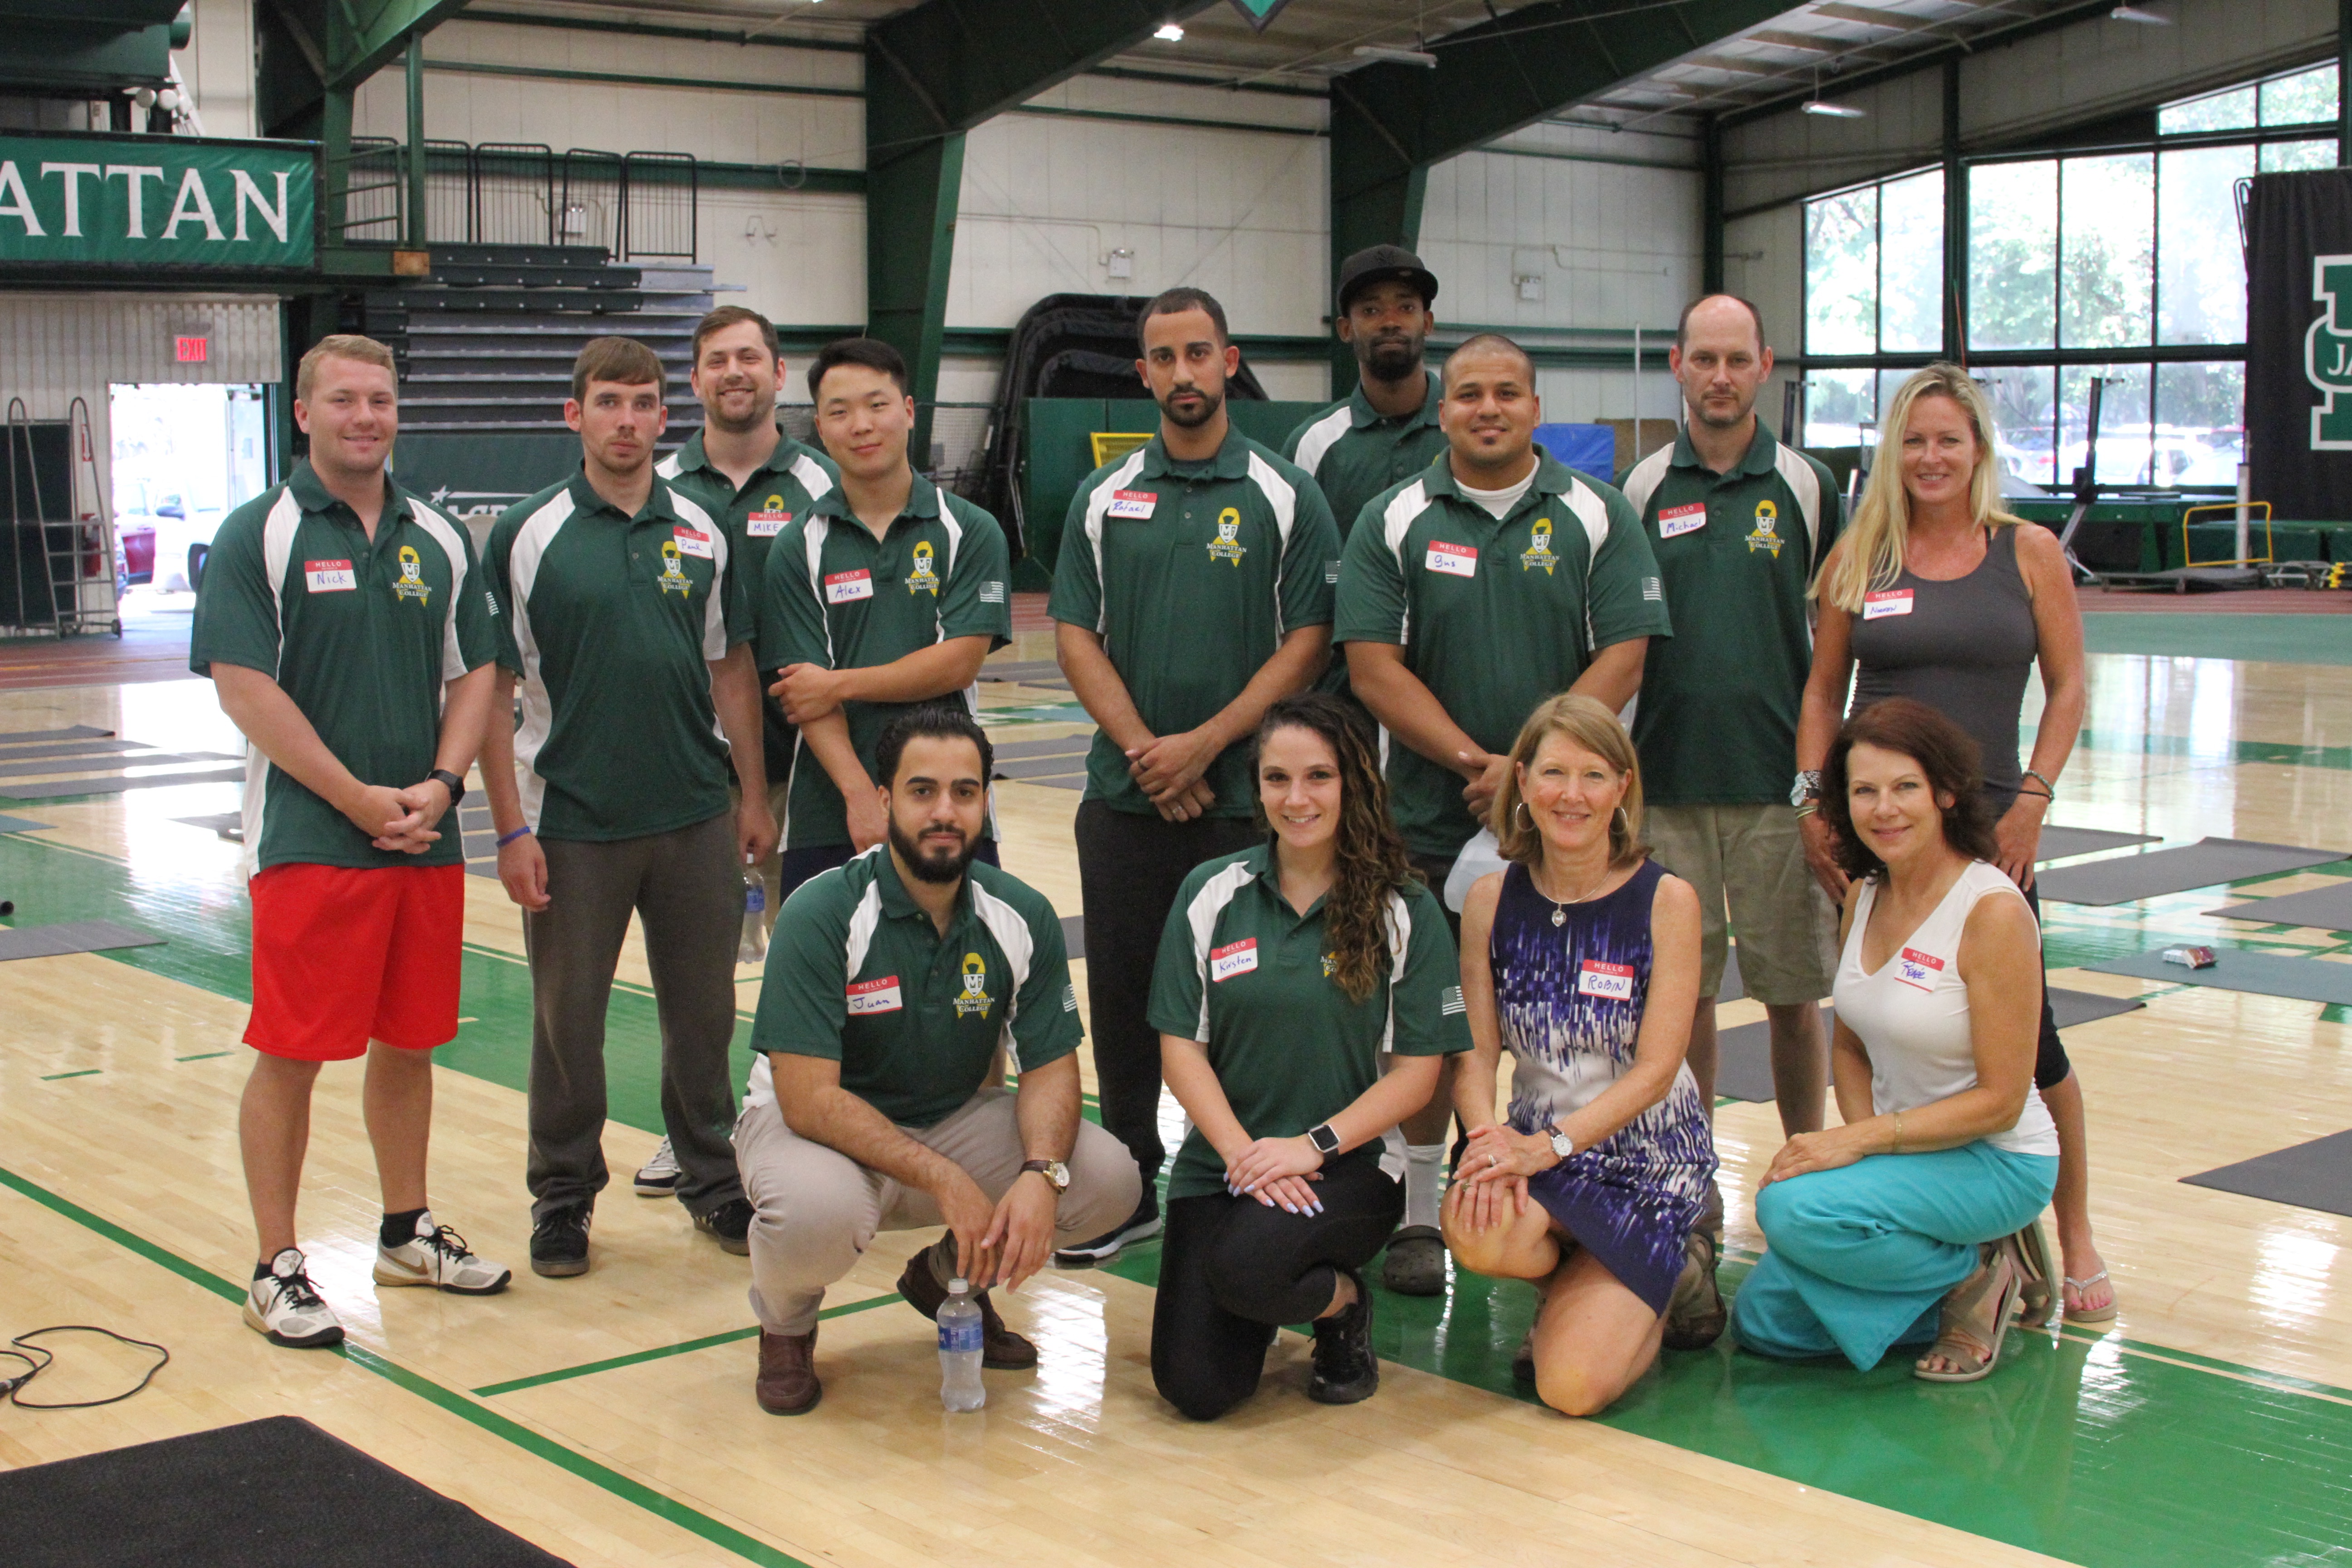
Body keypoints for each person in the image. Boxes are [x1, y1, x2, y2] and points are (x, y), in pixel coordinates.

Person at [1337, 331, 1672, 1297]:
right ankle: (1414, 1213)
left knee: (1581, 1013)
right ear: (1443, 411)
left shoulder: (1596, 514)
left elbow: (1627, 656)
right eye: (1470, 393)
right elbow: (1372, 667)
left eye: (1508, 394)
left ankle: (1618, 1193)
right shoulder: (1394, 516)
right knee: (1431, 1020)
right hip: (1427, 816)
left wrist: (1530, 771)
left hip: (1568, 818)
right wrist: (1475, 763)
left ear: (1536, 409)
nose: (1489, 408)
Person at [192, 333, 510, 1348]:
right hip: (310, 842)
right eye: (343, 400)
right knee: (291, 1053)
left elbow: (478, 675)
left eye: (380, 399)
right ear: (303, 411)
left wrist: (441, 785)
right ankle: (276, 1265)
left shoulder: (440, 536)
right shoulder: (263, 533)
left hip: (422, 838)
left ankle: (405, 1233)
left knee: (409, 1042)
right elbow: (246, 688)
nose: (364, 416)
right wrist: (354, 797)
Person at [1794, 363, 2114, 1328]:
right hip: (1876, 832)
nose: (1932, 458)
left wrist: (2035, 801)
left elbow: (2067, 687)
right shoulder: (1862, 555)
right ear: (1896, 452)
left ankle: (2074, 1229)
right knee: (1879, 1024)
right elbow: (1821, 692)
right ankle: (1925, 1215)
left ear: (1978, 451)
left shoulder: (2026, 554)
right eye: (1916, 441)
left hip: (1990, 834)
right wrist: (1816, 803)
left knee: (2032, 1042)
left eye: (1951, 440)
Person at [735, 705, 1141, 1414]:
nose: (944, 812)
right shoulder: (823, 912)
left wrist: (1042, 1177)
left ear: (986, 801)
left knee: (1107, 1178)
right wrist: (947, 1180)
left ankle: (950, 1280)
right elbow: (809, 1100)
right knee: (814, 1218)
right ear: (886, 800)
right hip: (814, 1135)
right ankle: (787, 1326)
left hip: (946, 1120)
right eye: (923, 792)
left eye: (965, 791)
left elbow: (1049, 1067)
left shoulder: (1020, 916)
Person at [1049, 285, 1342, 1265]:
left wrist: (1208, 745)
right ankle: (1131, 1182)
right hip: (1127, 799)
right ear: (1144, 374)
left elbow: (1307, 639)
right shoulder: (1102, 496)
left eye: (1198, 354)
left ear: (1230, 361)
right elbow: (1075, 635)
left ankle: (1256, 1180)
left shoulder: (1284, 492)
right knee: (1128, 999)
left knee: (1258, 1004)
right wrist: (1148, 752)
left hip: (1251, 804)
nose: (1182, 373)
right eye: (1163, 358)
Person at [481, 336, 777, 1277]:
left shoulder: (701, 527)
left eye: (643, 403)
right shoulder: (524, 535)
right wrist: (508, 827)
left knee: (704, 1017)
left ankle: (712, 1179)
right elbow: (490, 690)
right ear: (575, 416)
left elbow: (731, 666)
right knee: (567, 1026)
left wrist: (752, 793)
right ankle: (563, 1198)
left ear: (664, 415)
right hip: (571, 824)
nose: (626, 421)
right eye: (608, 403)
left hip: (695, 814)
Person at [1147, 694, 1470, 1420]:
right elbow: (1180, 1050)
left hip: (1349, 1166)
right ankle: (1264, 1288)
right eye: (1277, 779)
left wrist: (1309, 1146)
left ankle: (1342, 1306)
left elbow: (1419, 1077)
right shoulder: (1211, 893)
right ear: (1257, 787)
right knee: (1195, 1389)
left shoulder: (1403, 908)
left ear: (1354, 781)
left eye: (1318, 777)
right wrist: (1244, 1155)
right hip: (1226, 1167)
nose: (1297, 799)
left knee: (1246, 1267)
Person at [1732, 698, 2059, 1381]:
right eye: (1864, 791)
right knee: (1763, 1323)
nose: (1885, 809)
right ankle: (1949, 1291)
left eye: (1905, 787)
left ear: (1945, 792)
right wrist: (1867, 1151)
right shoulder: (1865, 895)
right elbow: (1850, 1045)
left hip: (1996, 1160)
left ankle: (1979, 1268)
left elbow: (2002, 1101)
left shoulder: (1992, 911)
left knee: (1786, 1208)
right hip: (1909, 1151)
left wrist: (1858, 1145)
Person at [1617, 295, 1842, 1188]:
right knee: (1687, 1001)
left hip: (1778, 793)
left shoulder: (1806, 484)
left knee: (1793, 993)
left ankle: (1806, 1162)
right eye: (1703, 360)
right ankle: (1692, 1177)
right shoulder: (1638, 489)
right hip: (1666, 786)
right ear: (1677, 364)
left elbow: (1835, 636)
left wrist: (1817, 781)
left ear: (1766, 364)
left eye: (1735, 360)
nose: (1719, 377)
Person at [1442, 696, 1715, 1415]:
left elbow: (1659, 1070)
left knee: (1568, 1391)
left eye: (1594, 776)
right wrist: (1485, 1137)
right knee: (1475, 1227)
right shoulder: (1490, 900)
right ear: (1524, 784)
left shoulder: (1667, 900)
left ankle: (1667, 1277)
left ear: (1622, 789)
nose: (1572, 795)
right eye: (1554, 774)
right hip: (1536, 1149)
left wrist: (1548, 1149)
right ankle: (1576, 1287)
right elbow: (1473, 1047)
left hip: (1645, 1163)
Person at [637, 305, 840, 1203]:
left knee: (825, 946)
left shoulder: (824, 482)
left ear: (778, 372)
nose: (734, 373)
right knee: (700, 957)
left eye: (749, 357)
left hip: (825, 753)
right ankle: (693, 1127)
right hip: (699, 762)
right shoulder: (658, 485)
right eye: (716, 360)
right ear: (696, 380)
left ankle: (824, 1118)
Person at [764, 337, 1012, 900]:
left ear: (907, 412)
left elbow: (958, 662)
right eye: (840, 412)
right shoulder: (795, 546)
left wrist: (839, 684)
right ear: (821, 430)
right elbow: (805, 697)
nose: (861, 425)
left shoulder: (971, 531)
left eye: (877, 405)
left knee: (962, 983)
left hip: (954, 808)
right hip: (829, 815)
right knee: (835, 985)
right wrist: (861, 798)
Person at [1283, 245, 1448, 546]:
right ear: (1346, 329)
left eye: (1406, 307)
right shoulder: (1312, 444)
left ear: (1427, 323)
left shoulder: (1470, 430)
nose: (1390, 322)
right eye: (1371, 310)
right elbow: (1296, 559)